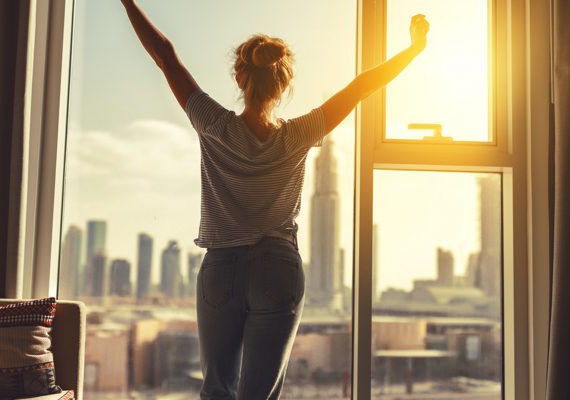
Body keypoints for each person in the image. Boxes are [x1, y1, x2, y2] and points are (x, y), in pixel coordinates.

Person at [118, 1, 429, 398]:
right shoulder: (299, 134)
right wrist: (412, 50)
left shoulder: (214, 124)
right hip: (277, 266)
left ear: (239, 77)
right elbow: (360, 88)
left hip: (221, 267)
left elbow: (165, 57)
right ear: (283, 85)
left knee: (217, 390)